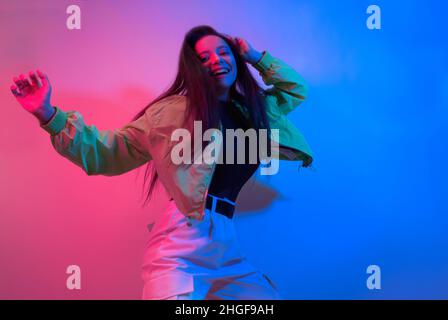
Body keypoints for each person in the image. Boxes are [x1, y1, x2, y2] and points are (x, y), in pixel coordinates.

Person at [10, 25, 314, 300]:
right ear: (194, 68)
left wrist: (254, 55)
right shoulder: (171, 113)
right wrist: (48, 114)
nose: (217, 61)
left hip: (226, 244)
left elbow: (295, 88)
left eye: (224, 53)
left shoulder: (254, 111)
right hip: (180, 244)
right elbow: (107, 153)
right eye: (204, 58)